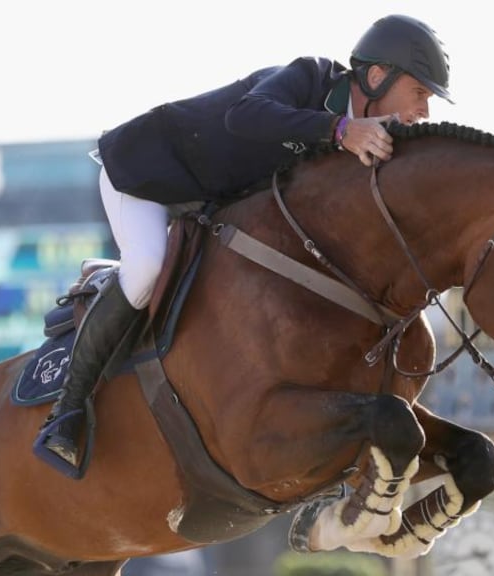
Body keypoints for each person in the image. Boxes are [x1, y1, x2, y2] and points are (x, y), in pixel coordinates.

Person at [37, 14, 453, 470]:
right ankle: (67, 410)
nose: (423, 112)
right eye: (420, 93)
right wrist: (337, 131)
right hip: (146, 176)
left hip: (206, 205)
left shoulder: (365, 147)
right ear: (377, 76)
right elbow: (246, 115)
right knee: (146, 269)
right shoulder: (311, 77)